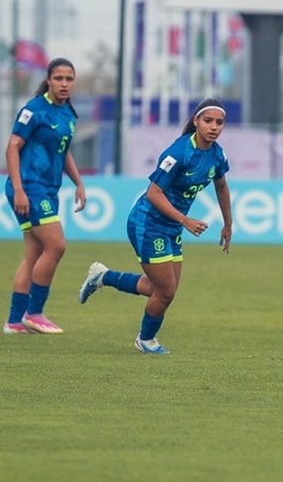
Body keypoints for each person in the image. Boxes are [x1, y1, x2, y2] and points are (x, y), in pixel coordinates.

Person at [78, 98, 233, 354]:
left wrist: (228, 223)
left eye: (219, 122)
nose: (214, 127)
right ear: (196, 121)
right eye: (208, 121)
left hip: (171, 227)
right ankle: (146, 340)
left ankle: (103, 276)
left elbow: (221, 185)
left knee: (158, 288)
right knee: (166, 291)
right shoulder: (179, 152)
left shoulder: (217, 154)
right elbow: (153, 193)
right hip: (147, 223)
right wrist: (185, 220)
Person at [3, 58, 86, 334]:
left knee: (33, 254)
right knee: (57, 246)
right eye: (59, 78)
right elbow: (12, 148)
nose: (64, 84)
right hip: (29, 187)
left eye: (69, 79)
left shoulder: (69, 115)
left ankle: (14, 322)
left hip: (48, 189)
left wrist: (78, 182)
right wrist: (19, 190)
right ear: (48, 80)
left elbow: (63, 151)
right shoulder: (34, 110)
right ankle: (34, 313)